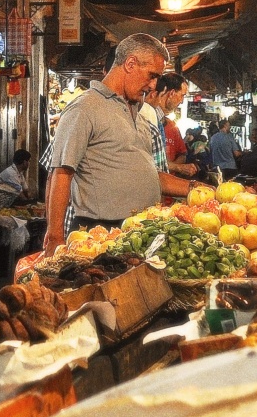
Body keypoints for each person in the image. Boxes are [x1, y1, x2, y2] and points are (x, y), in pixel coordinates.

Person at [44, 33, 192, 252]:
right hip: (99, 233)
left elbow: (151, 175)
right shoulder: (85, 108)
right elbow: (61, 173)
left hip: (138, 232)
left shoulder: (139, 114)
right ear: (130, 63)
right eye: (152, 75)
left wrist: (198, 189)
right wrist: (55, 237)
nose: (153, 85)